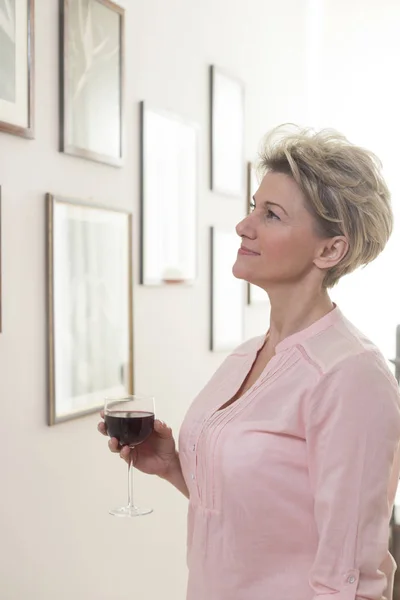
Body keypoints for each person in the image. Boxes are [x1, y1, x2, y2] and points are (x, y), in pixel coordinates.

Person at [98, 126, 400, 600]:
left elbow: (352, 579)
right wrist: (175, 466)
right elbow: (261, 516)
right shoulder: (246, 355)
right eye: (254, 206)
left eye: (272, 214)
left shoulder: (351, 375)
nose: (244, 225)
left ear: (330, 249)